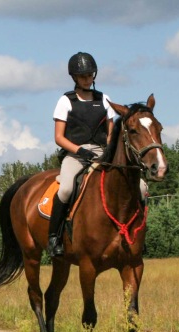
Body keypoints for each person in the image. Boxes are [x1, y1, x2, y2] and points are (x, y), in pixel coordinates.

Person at [48, 52, 150, 257]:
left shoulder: (104, 99)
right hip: (76, 154)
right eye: (83, 76)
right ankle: (54, 237)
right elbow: (59, 137)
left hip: (103, 153)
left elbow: (112, 133)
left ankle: (138, 235)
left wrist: (109, 153)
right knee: (66, 188)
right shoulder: (65, 101)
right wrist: (79, 150)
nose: (88, 79)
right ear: (74, 78)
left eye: (90, 75)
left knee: (141, 187)